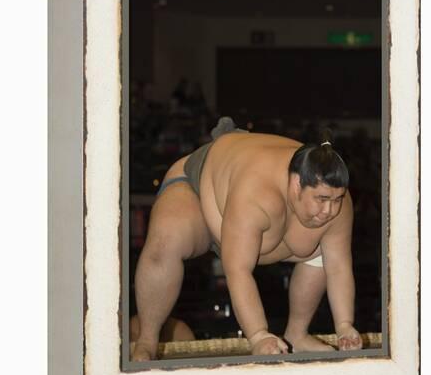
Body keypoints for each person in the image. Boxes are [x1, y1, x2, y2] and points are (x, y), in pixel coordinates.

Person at [132, 117, 363, 361]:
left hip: (249, 221)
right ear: (297, 185)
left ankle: (297, 333)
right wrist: (259, 336)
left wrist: (345, 326)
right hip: (199, 190)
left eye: (336, 200)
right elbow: (238, 271)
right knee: (166, 240)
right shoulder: (256, 195)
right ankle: (146, 341)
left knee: (322, 249)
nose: (329, 210)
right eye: (322, 200)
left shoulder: (336, 201)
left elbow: (338, 267)